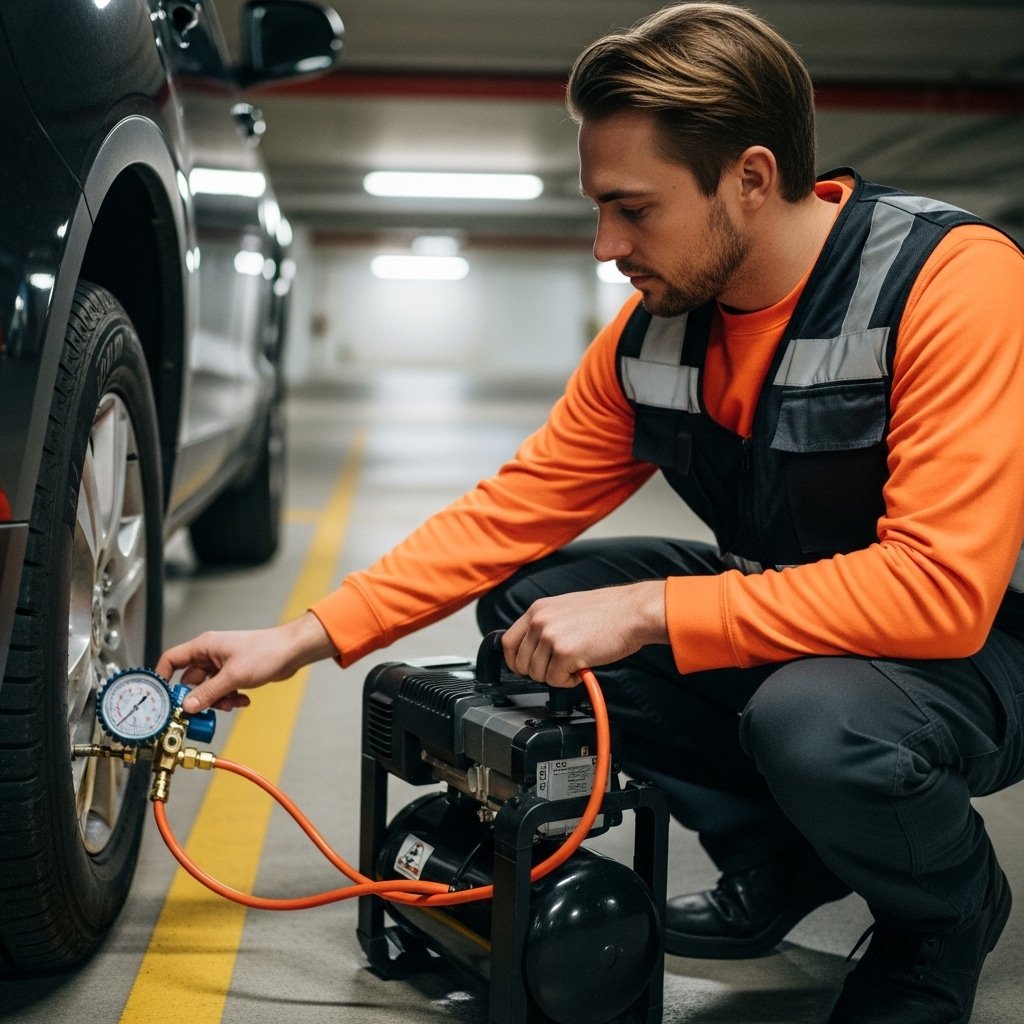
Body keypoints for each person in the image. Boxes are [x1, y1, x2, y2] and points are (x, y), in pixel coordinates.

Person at [157, 4, 1024, 1021]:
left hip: (979, 647)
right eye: (597, 208)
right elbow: (508, 513)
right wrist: (300, 636)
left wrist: (656, 610)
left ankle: (941, 918)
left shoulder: (949, 282)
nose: (606, 244)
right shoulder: (653, 336)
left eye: (633, 208)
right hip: (803, 618)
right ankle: (783, 861)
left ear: (748, 179)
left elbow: (940, 593)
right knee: (533, 607)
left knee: (813, 721)